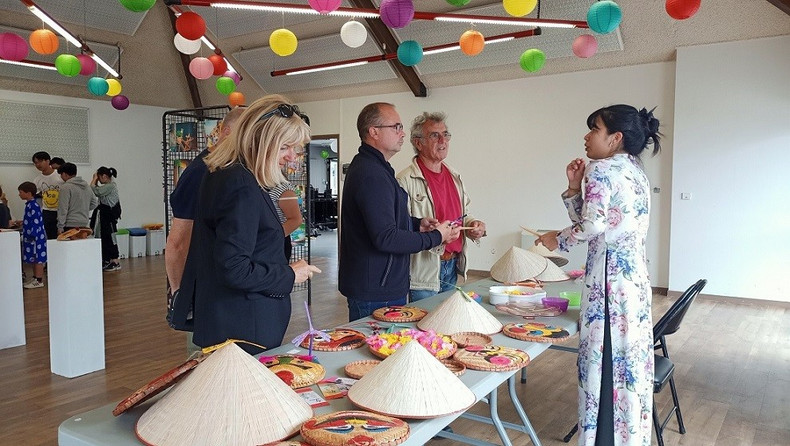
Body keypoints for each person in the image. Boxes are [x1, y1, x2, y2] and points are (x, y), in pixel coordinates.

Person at [535, 104, 661, 446]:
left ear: (615, 138)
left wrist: (556, 239)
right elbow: (603, 221)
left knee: (603, 364)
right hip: (633, 280)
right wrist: (574, 189)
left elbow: (592, 225)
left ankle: (601, 438)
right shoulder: (635, 170)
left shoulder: (603, 169)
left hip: (608, 282)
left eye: (594, 129)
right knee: (625, 365)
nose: (587, 137)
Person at [178, 95, 321, 355]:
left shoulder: (229, 175)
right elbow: (234, 268)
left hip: (237, 322)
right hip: (242, 328)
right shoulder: (240, 184)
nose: (291, 157)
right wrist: (290, 274)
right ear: (261, 140)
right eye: (285, 147)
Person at [339, 102, 459, 321]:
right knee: (380, 351)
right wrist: (436, 237)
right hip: (376, 289)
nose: (402, 133)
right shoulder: (371, 173)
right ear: (374, 132)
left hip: (382, 284)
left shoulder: (377, 168)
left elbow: (384, 220)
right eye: (396, 127)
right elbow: (386, 237)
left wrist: (417, 224)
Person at [396, 112, 487, 301]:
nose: (443, 140)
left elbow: (463, 214)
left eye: (445, 134)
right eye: (435, 135)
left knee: (446, 327)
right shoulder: (405, 180)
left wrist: (473, 226)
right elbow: (401, 228)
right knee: (424, 327)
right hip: (424, 272)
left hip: (452, 266)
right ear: (418, 143)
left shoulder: (455, 176)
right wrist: (436, 235)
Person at [166, 107, 246, 300]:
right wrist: (181, 294)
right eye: (246, 133)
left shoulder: (230, 171)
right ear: (227, 132)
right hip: (202, 287)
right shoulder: (199, 173)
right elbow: (177, 242)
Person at [14, 182, 47, 289]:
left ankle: (39, 280)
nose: (19, 194)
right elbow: (32, 219)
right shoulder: (30, 205)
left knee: (37, 259)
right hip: (32, 237)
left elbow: (36, 222)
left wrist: (33, 236)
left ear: (28, 193)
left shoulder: (33, 205)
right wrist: (23, 222)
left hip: (35, 238)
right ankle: (35, 277)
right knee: (33, 258)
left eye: (21, 192)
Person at [90, 167, 122, 271]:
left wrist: (93, 181)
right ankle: (107, 259)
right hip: (105, 215)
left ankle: (115, 261)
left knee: (110, 238)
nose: (98, 180)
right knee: (104, 237)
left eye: (98, 177)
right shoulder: (109, 186)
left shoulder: (110, 186)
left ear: (104, 176)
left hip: (109, 216)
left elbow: (97, 191)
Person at [56, 163, 98, 234]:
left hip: (70, 223)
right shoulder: (86, 186)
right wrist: (82, 208)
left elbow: (63, 208)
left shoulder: (66, 187)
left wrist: (60, 226)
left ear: (65, 174)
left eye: (61, 174)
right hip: (84, 223)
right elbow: (94, 203)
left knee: (69, 245)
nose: (61, 177)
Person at [267, 180, 303, 261]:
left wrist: (270, 239)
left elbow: (296, 220)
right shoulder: (256, 186)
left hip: (275, 241)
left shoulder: (283, 188)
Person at [31, 151, 64, 239]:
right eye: (35, 163)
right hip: (47, 211)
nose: (38, 165)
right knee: (51, 236)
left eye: (40, 161)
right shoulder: (37, 180)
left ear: (48, 161)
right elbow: (35, 195)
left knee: (63, 235)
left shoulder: (60, 175)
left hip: (61, 210)